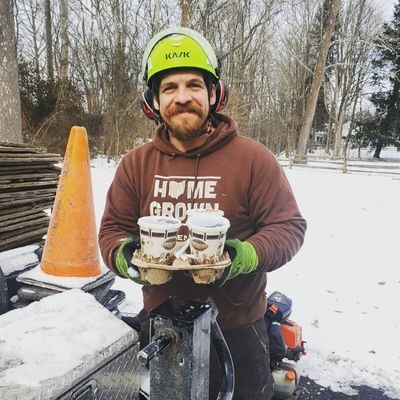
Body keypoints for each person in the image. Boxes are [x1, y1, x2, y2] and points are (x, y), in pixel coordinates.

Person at [99, 27, 306, 400]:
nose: (182, 98)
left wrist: (241, 257)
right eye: (169, 88)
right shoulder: (136, 164)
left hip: (239, 330)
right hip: (163, 328)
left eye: (194, 85)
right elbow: (111, 231)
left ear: (214, 94)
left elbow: (287, 227)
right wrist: (128, 258)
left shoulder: (252, 159)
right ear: (153, 102)